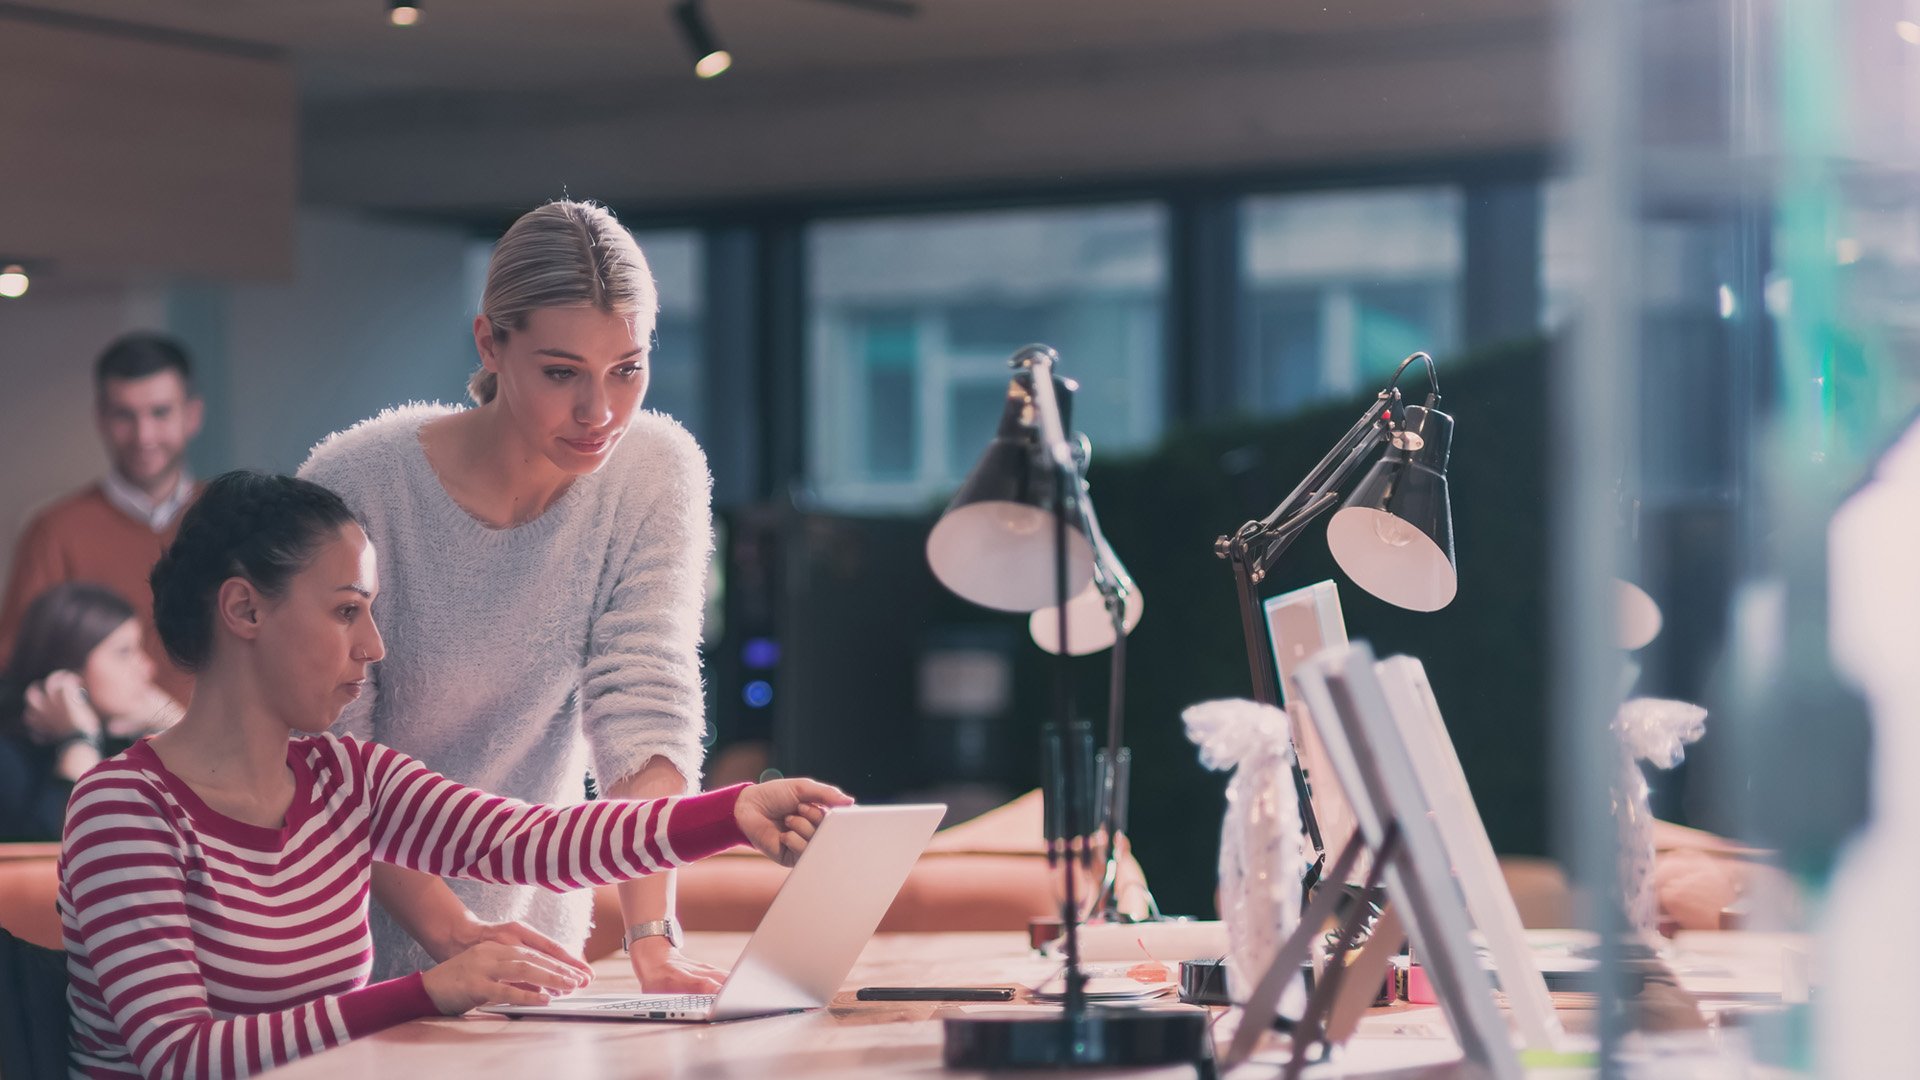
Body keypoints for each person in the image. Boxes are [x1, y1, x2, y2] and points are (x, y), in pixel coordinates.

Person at [58, 470, 851, 1078]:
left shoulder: (345, 779)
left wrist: (734, 812)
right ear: (245, 610)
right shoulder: (125, 809)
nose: (373, 646)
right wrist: (430, 990)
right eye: (345, 611)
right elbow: (182, 1058)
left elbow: (534, 844)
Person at [298, 199, 723, 993]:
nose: (600, 414)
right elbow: (331, 753)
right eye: (562, 373)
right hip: (351, 943)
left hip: (536, 934)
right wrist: (451, 932)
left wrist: (652, 935)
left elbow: (644, 702)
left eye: (627, 370)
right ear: (491, 343)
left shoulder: (655, 470)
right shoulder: (358, 480)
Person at [0, 333, 204, 704]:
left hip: (226, 749)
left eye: (160, 412)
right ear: (101, 418)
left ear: (192, 415)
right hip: (102, 753)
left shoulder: (230, 516)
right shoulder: (55, 531)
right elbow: (17, 666)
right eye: (125, 415)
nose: (144, 436)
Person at [0, 582, 178, 840]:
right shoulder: (9, 756)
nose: (148, 668)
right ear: (69, 665)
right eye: (124, 652)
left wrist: (173, 719)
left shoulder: (125, 745)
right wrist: (78, 740)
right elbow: (66, 853)